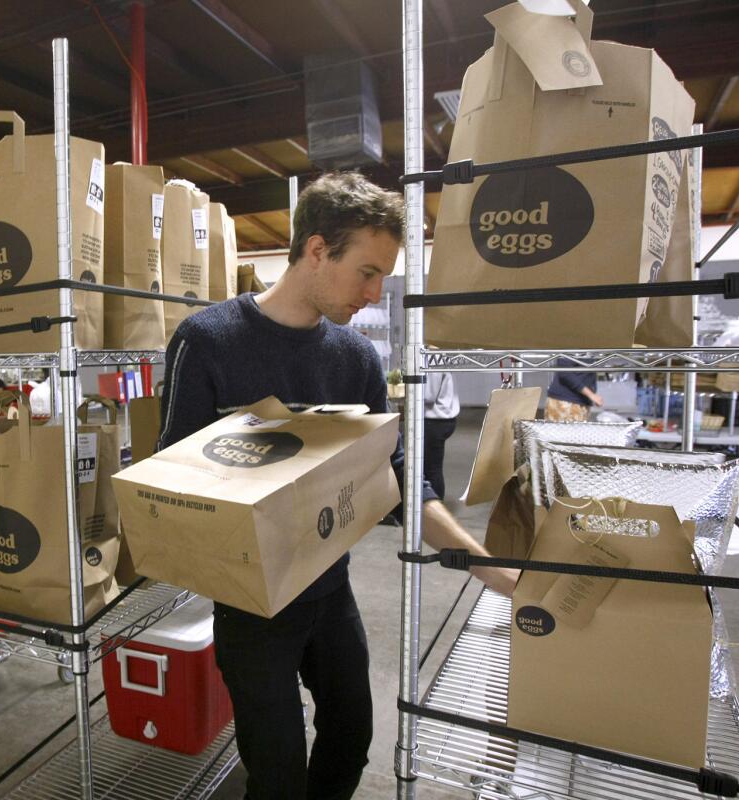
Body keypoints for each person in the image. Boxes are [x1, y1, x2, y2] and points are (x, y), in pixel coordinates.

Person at [158, 172, 519, 800]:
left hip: (329, 587)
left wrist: (492, 570)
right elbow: (170, 475)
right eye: (368, 272)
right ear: (317, 250)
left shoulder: (355, 358)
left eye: (385, 277)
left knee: (350, 740)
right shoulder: (209, 340)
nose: (376, 294)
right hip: (253, 605)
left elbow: (400, 474)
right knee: (276, 776)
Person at [423, 371, 459, 501]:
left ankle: (434, 504)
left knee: (431, 470)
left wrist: (407, 387)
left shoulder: (434, 360)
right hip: (442, 419)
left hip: (435, 420)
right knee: (433, 468)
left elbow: (429, 395)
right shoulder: (441, 356)